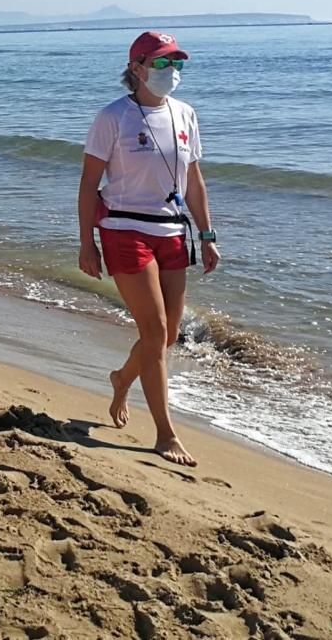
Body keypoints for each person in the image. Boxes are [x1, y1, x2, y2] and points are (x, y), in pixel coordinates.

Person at [77, 31, 219, 467]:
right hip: (124, 228)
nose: (170, 71)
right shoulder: (113, 118)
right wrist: (87, 243)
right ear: (136, 67)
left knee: (168, 334)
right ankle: (165, 433)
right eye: (160, 63)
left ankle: (123, 378)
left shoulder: (186, 114)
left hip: (172, 231)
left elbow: (193, 181)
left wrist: (207, 235)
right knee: (155, 331)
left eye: (175, 63)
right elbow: (88, 183)